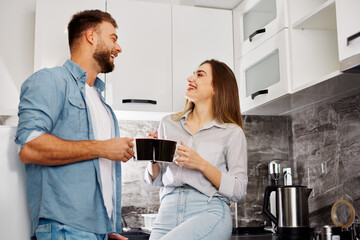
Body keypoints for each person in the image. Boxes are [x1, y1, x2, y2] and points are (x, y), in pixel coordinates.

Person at [15, 10, 134, 240]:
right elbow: (30, 147)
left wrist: (104, 228)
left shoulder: (101, 102)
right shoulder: (51, 80)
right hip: (63, 228)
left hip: (96, 231)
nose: (118, 48)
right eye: (113, 38)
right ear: (91, 36)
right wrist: (103, 148)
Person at [145, 59, 248, 240]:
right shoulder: (168, 124)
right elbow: (158, 179)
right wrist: (152, 156)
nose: (190, 78)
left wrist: (201, 164)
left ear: (215, 88)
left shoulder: (232, 132)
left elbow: (239, 191)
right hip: (168, 209)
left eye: (199, 75)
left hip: (208, 209)